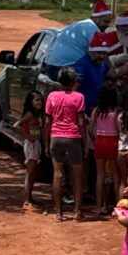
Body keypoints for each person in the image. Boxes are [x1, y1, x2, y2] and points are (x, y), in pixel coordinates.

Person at [44, 67, 87, 221]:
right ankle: (77, 212)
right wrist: (85, 141)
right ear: (74, 80)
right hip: (73, 137)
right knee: (77, 175)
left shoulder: (51, 96)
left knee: (58, 174)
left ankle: (58, 213)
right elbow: (81, 122)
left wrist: (46, 141)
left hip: (56, 136)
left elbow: (48, 122)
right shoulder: (79, 97)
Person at [44, 0, 113, 78]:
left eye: (109, 22)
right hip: (64, 69)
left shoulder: (83, 24)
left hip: (49, 67)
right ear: (96, 18)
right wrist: (112, 71)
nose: (107, 25)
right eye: (105, 21)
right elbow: (102, 54)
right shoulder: (93, 29)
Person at [89, 82, 120, 215]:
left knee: (99, 175)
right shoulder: (116, 110)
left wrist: (95, 139)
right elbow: (119, 129)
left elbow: (90, 129)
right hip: (113, 141)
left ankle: (98, 206)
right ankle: (118, 206)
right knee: (115, 174)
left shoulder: (96, 110)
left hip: (99, 141)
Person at [14, 91, 44, 213]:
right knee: (30, 172)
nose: (39, 102)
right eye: (36, 100)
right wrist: (28, 137)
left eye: (41, 100)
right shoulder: (30, 114)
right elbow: (16, 125)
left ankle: (30, 197)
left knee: (33, 172)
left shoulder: (37, 114)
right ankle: (26, 200)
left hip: (35, 143)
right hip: (31, 144)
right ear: (30, 102)